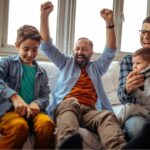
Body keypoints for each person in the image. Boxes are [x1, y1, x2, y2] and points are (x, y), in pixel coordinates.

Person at [40, 1, 150, 150]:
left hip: (90, 111)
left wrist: (110, 23)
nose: (80, 52)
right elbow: (46, 46)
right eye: (77, 49)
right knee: (71, 102)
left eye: (84, 49)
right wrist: (44, 16)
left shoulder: (97, 68)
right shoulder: (65, 63)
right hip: (68, 106)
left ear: (91, 53)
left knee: (106, 116)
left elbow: (110, 50)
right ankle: (69, 144)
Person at [0, 25, 55, 149]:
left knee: (46, 124)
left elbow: (45, 95)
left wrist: (37, 104)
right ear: (17, 46)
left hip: (34, 113)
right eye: (26, 49)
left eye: (35, 49)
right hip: (9, 112)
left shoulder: (41, 72)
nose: (30, 54)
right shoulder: (6, 63)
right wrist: (14, 97)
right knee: (19, 126)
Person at [117, 16, 150, 141]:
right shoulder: (130, 60)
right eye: (143, 31)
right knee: (139, 129)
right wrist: (127, 89)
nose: (146, 36)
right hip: (138, 113)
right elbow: (122, 97)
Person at [117, 47, 150, 126]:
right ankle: (113, 126)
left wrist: (135, 91)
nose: (134, 67)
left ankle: (114, 126)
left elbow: (147, 99)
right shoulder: (141, 75)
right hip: (146, 109)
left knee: (129, 108)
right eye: (133, 64)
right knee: (128, 107)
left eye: (138, 63)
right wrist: (130, 89)